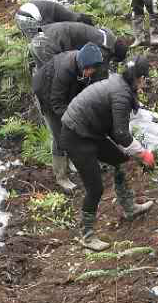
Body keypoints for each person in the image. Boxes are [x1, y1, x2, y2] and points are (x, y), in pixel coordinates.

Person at [61, 55, 156, 250]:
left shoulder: (120, 84)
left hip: (91, 130)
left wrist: (132, 151)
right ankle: (86, 236)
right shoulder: (121, 94)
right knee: (95, 188)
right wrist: (143, 154)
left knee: (121, 160)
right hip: (76, 135)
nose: (145, 82)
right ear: (140, 78)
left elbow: (114, 128)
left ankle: (129, 207)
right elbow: (121, 133)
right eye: (145, 78)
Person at [32, 42, 106, 193]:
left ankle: (80, 161)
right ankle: (61, 177)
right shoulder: (65, 69)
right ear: (81, 64)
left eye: (93, 69)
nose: (91, 72)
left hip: (68, 93)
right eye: (88, 69)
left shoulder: (92, 67)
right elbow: (57, 103)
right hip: (47, 97)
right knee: (61, 136)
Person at [29, 20, 128, 72]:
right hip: (46, 44)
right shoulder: (103, 49)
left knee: (42, 74)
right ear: (114, 54)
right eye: (113, 60)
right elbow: (95, 68)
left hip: (42, 32)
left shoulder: (105, 34)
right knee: (54, 76)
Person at [14, 0, 96, 37]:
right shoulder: (66, 16)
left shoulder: (63, 13)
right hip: (28, 17)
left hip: (20, 14)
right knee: (42, 36)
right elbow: (44, 30)